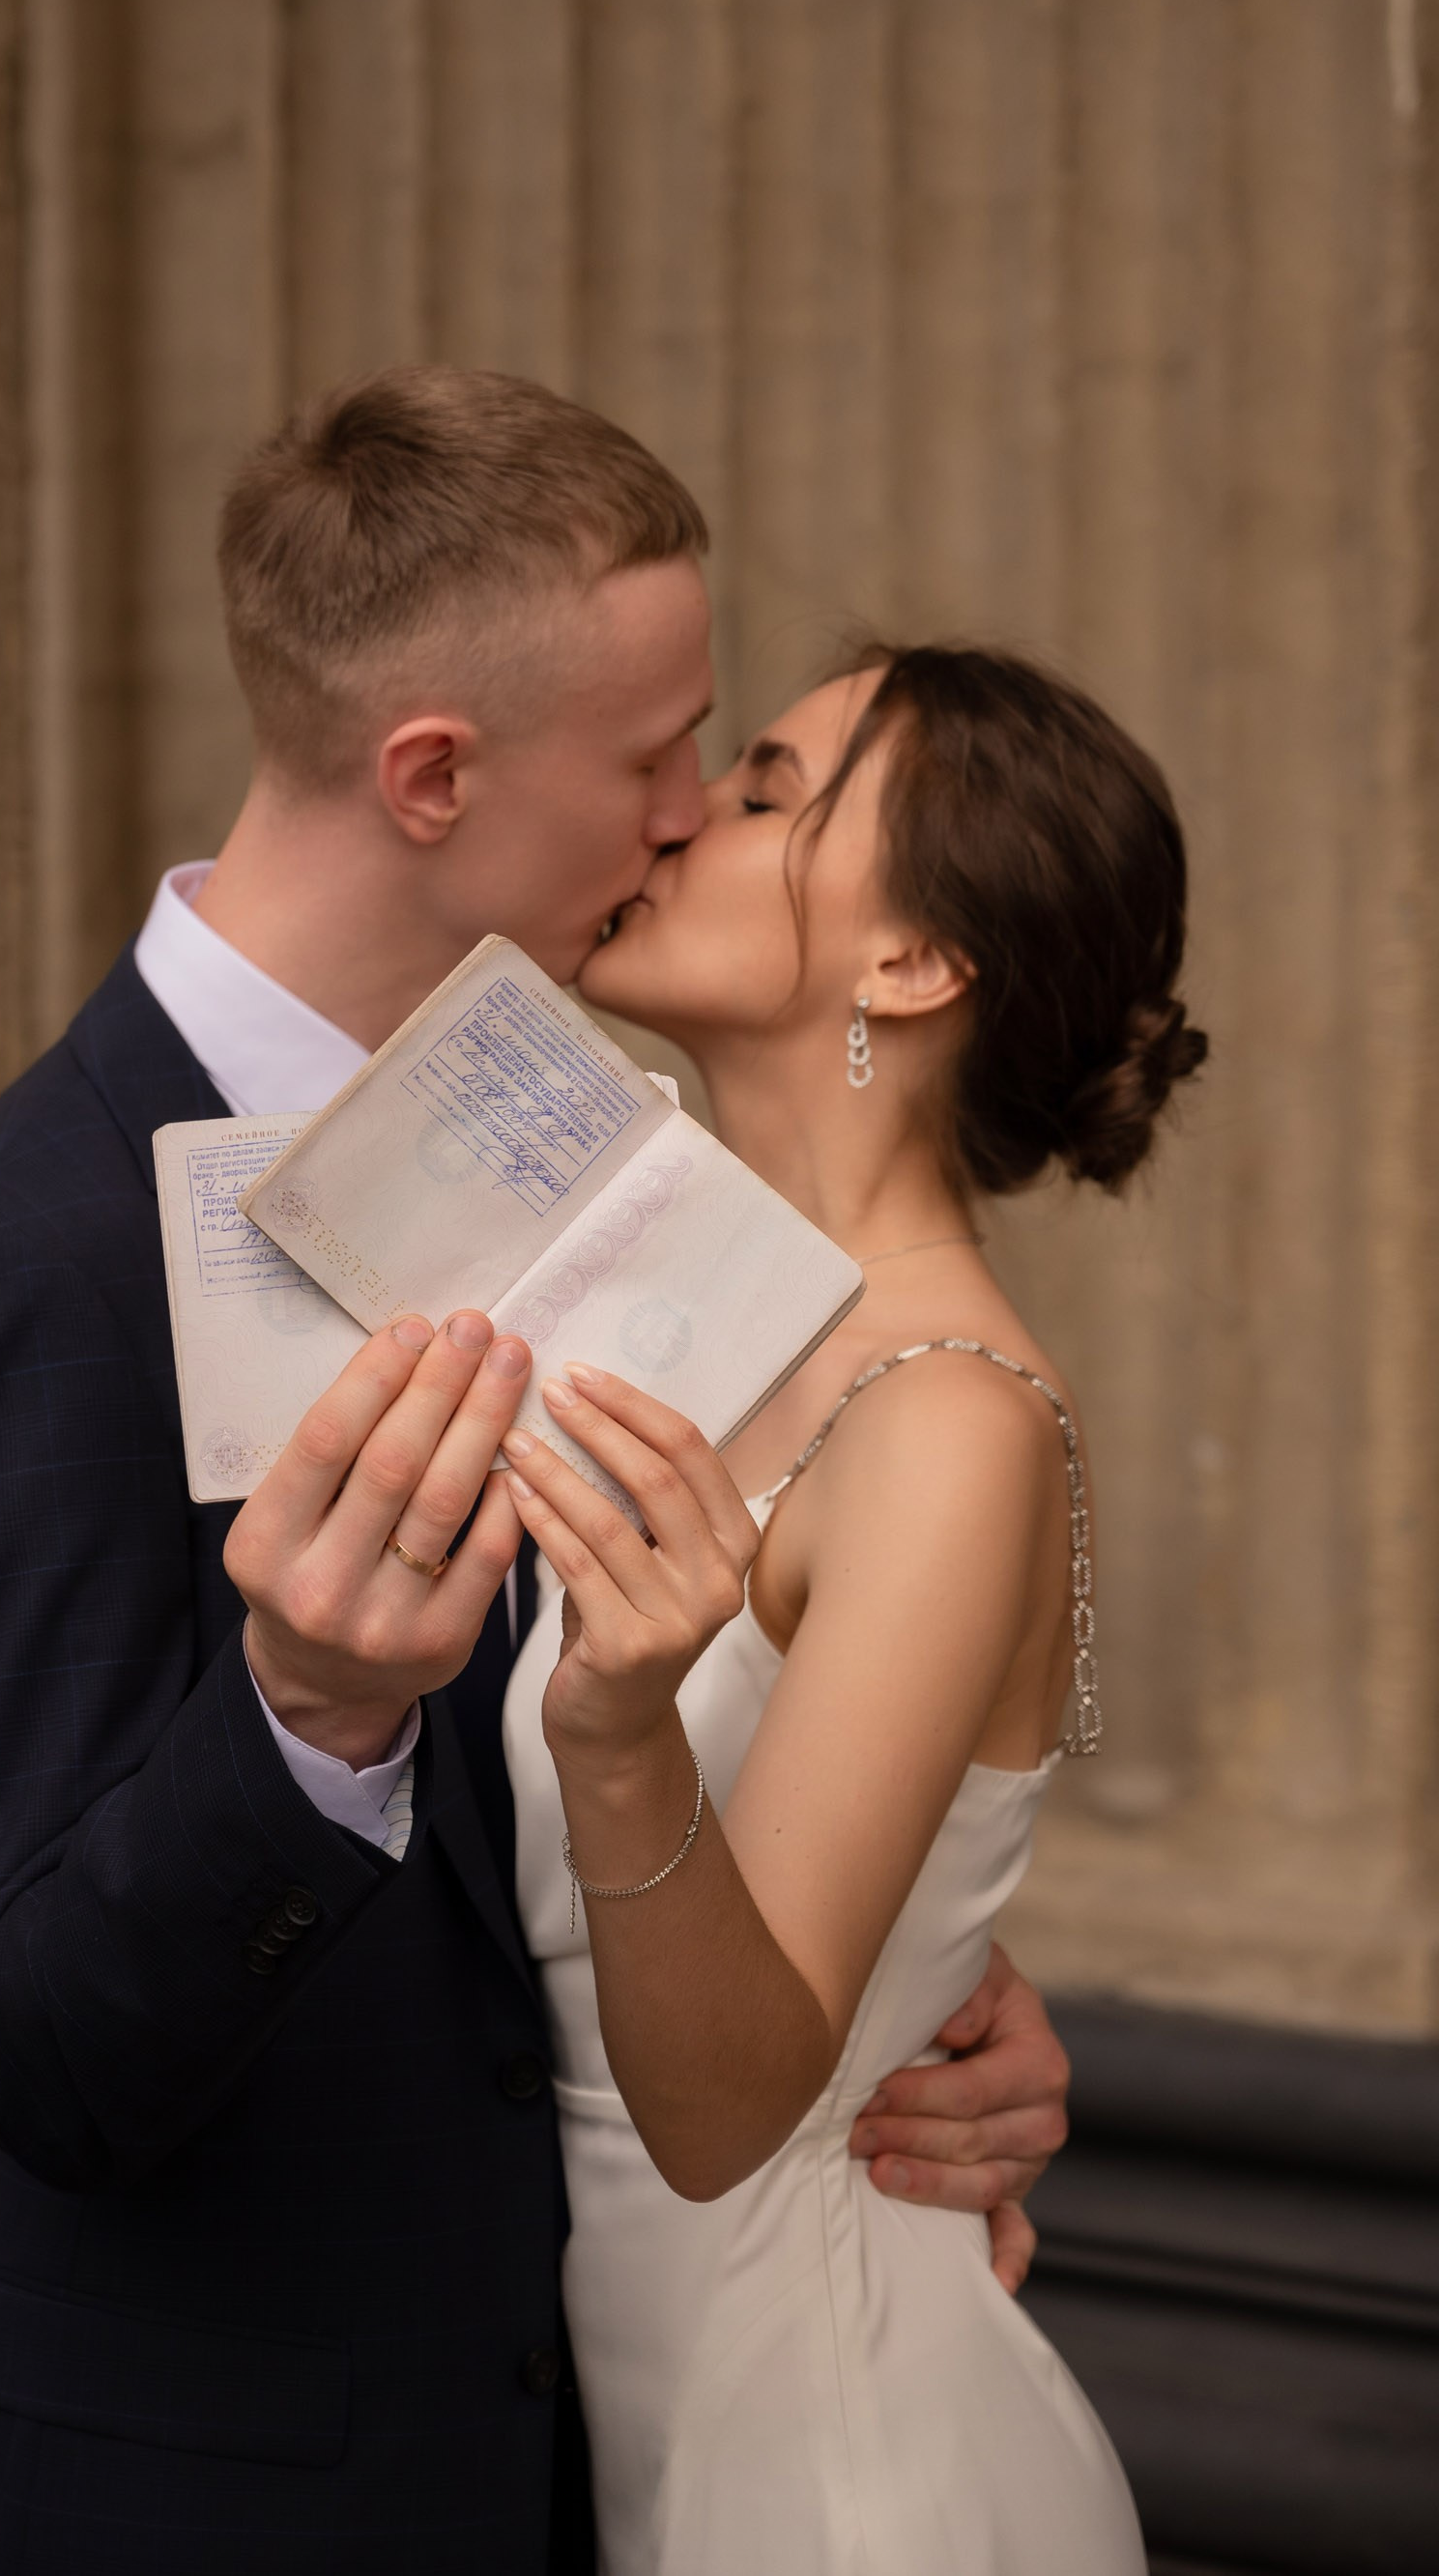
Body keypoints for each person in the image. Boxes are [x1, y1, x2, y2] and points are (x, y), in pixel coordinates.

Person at [0, 373, 1074, 2576]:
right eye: (655, 757)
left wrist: (912, 1996)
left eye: (730, 762)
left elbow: (693, 1796)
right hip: (229, 2510)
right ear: (433, 775)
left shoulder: (608, 1162)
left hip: (596, 2462)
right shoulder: (15, 1252)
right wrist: (302, 1720)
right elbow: (45, 2059)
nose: (685, 814)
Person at [497, 641, 1206, 2572]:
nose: (679, 815)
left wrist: (620, 1730)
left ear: (908, 965)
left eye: (760, 792)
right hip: (611, 2443)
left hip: (830, 2480)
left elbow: (730, 2103)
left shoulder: (954, 1421)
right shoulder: (679, 1340)